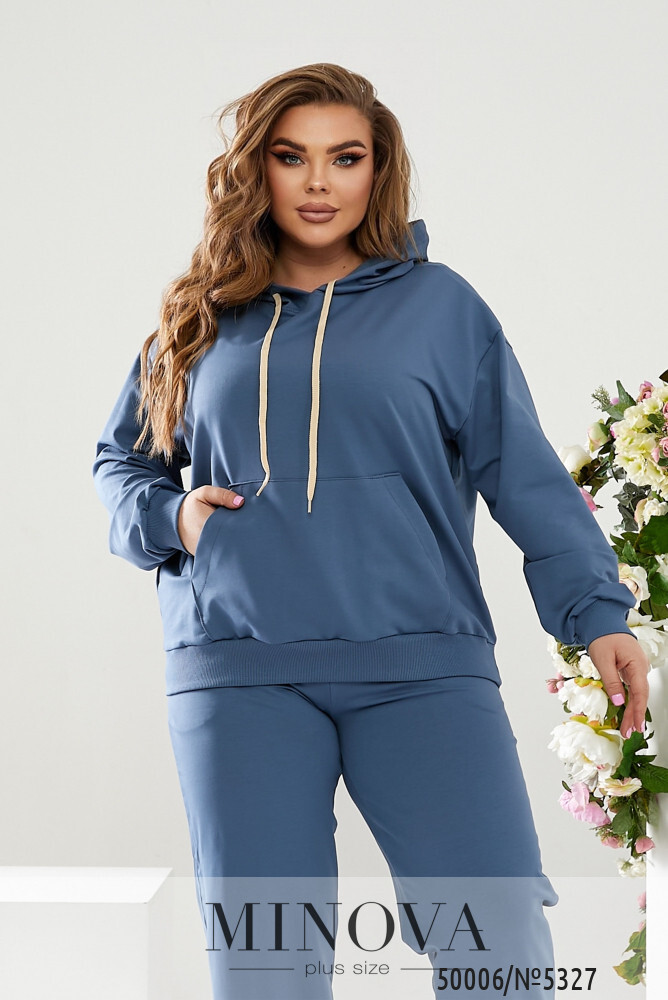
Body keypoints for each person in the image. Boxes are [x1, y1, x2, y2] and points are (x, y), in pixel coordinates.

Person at [92, 63, 650, 1000]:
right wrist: (172, 514)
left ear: (377, 170)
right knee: (267, 967)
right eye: (292, 157)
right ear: (255, 170)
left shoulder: (443, 309)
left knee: (498, 956)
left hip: (423, 663)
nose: (319, 183)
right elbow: (123, 463)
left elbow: (523, 473)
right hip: (240, 671)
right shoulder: (199, 317)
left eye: (345, 158)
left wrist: (597, 614)